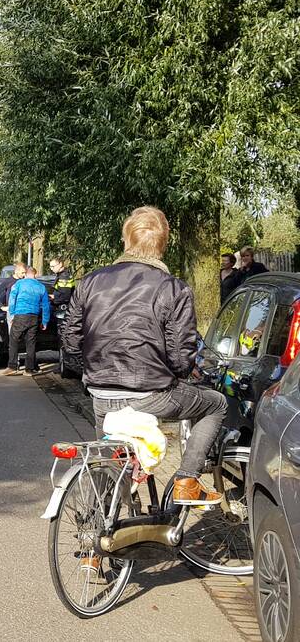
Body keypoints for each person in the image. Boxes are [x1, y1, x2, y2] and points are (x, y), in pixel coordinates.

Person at [62, 206, 227, 505]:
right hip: (149, 393)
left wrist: (89, 373)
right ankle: (187, 480)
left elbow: (70, 340)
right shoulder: (173, 288)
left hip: (101, 392)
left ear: (126, 240)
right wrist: (178, 376)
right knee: (216, 405)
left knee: (106, 458)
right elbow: (180, 355)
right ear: (162, 246)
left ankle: (93, 543)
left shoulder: (89, 282)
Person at [4, 266, 50, 376]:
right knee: (31, 342)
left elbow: (12, 298)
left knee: (14, 339)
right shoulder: (41, 287)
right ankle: (29, 369)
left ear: (25, 274)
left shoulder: (19, 284)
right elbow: (46, 305)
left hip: (20, 314)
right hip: (34, 316)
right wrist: (45, 321)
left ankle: (12, 366)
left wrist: (12, 313)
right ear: (36, 274)